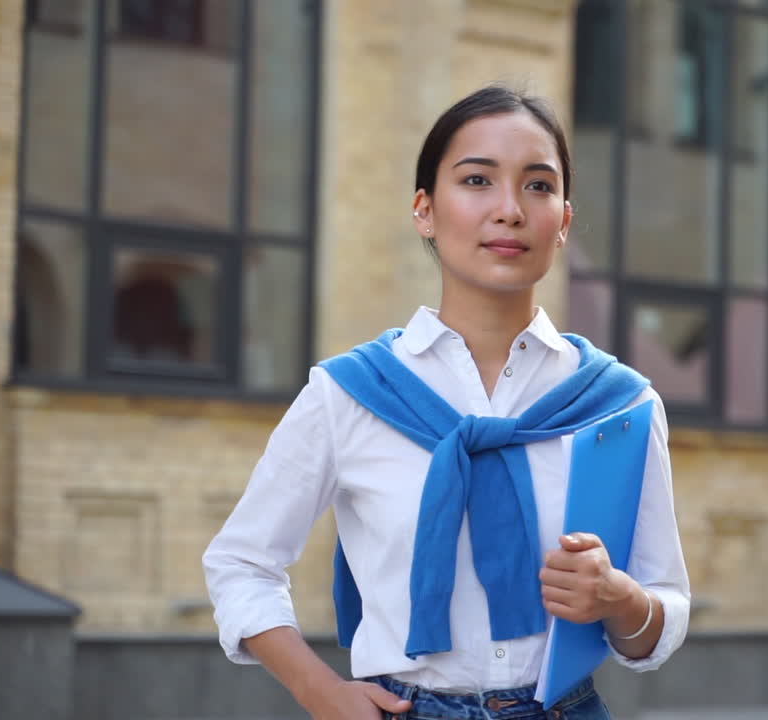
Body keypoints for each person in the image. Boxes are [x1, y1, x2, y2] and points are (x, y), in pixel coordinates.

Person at [203, 85, 690, 720]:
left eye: (538, 186)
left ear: (564, 221)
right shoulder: (352, 392)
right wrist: (320, 693)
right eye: (477, 180)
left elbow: (660, 611)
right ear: (425, 210)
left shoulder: (619, 405)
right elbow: (242, 563)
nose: (510, 209)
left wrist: (621, 599)